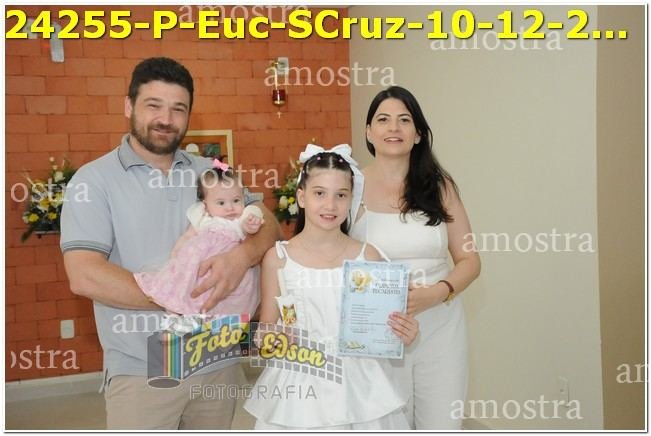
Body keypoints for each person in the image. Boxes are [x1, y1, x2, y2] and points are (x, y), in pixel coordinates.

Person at [60, 57, 281, 430]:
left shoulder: (210, 172)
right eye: (154, 105)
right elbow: (85, 275)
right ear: (128, 106)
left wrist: (240, 258)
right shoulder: (93, 180)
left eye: (178, 108)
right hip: (143, 368)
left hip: (217, 360)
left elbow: (268, 224)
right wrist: (183, 295)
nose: (166, 119)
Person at [244, 148, 419, 430]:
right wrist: (270, 340)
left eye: (341, 195)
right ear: (302, 197)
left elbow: (383, 326)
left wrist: (403, 331)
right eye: (319, 193)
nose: (330, 205)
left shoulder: (368, 256)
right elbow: (266, 329)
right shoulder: (278, 258)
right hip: (299, 382)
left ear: (351, 199)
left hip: (360, 383)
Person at [350, 86, 481, 429]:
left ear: (418, 133)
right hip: (376, 331)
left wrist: (437, 293)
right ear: (369, 132)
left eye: (404, 120)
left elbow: (470, 261)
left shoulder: (440, 186)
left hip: (440, 326)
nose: (394, 128)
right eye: (383, 120)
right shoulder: (350, 187)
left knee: (442, 423)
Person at [134, 160, 264, 318]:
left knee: (232, 293)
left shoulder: (240, 221)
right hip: (197, 264)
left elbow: (252, 229)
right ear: (206, 204)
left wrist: (252, 224)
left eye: (236, 201)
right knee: (184, 278)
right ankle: (178, 304)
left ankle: (218, 317)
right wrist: (177, 255)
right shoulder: (203, 219)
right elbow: (188, 236)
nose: (230, 207)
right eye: (221, 203)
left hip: (229, 267)